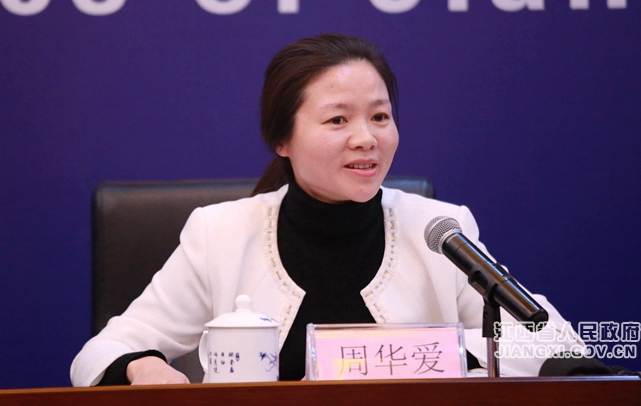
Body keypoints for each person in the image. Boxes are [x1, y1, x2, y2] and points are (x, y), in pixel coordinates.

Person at [70, 33, 582, 387]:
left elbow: (557, 342)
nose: (366, 138)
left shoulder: (439, 229)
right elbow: (101, 352)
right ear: (282, 140)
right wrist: (142, 366)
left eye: (380, 116)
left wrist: (436, 358)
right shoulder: (220, 234)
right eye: (337, 120)